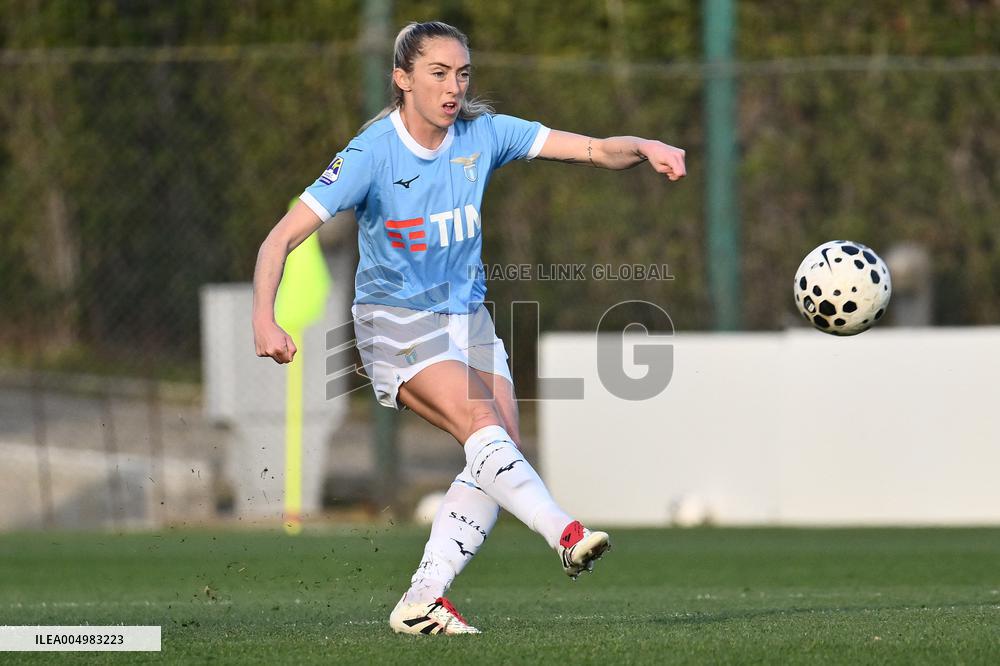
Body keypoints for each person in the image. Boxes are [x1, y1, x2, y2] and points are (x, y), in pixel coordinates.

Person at [252, 20, 686, 635]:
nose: (453, 86)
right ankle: (565, 532)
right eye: (437, 73)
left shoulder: (483, 134)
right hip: (394, 321)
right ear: (402, 79)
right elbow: (281, 237)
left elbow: (591, 149)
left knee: (497, 446)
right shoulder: (371, 153)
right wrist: (262, 317)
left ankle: (422, 598)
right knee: (485, 426)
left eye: (462, 73)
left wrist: (642, 145)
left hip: (469, 319)